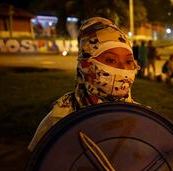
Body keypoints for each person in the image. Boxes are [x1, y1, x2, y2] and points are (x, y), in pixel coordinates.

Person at [28, 17, 139, 152]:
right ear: (86, 65)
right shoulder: (59, 120)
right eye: (111, 60)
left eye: (128, 61)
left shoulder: (143, 119)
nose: (123, 69)